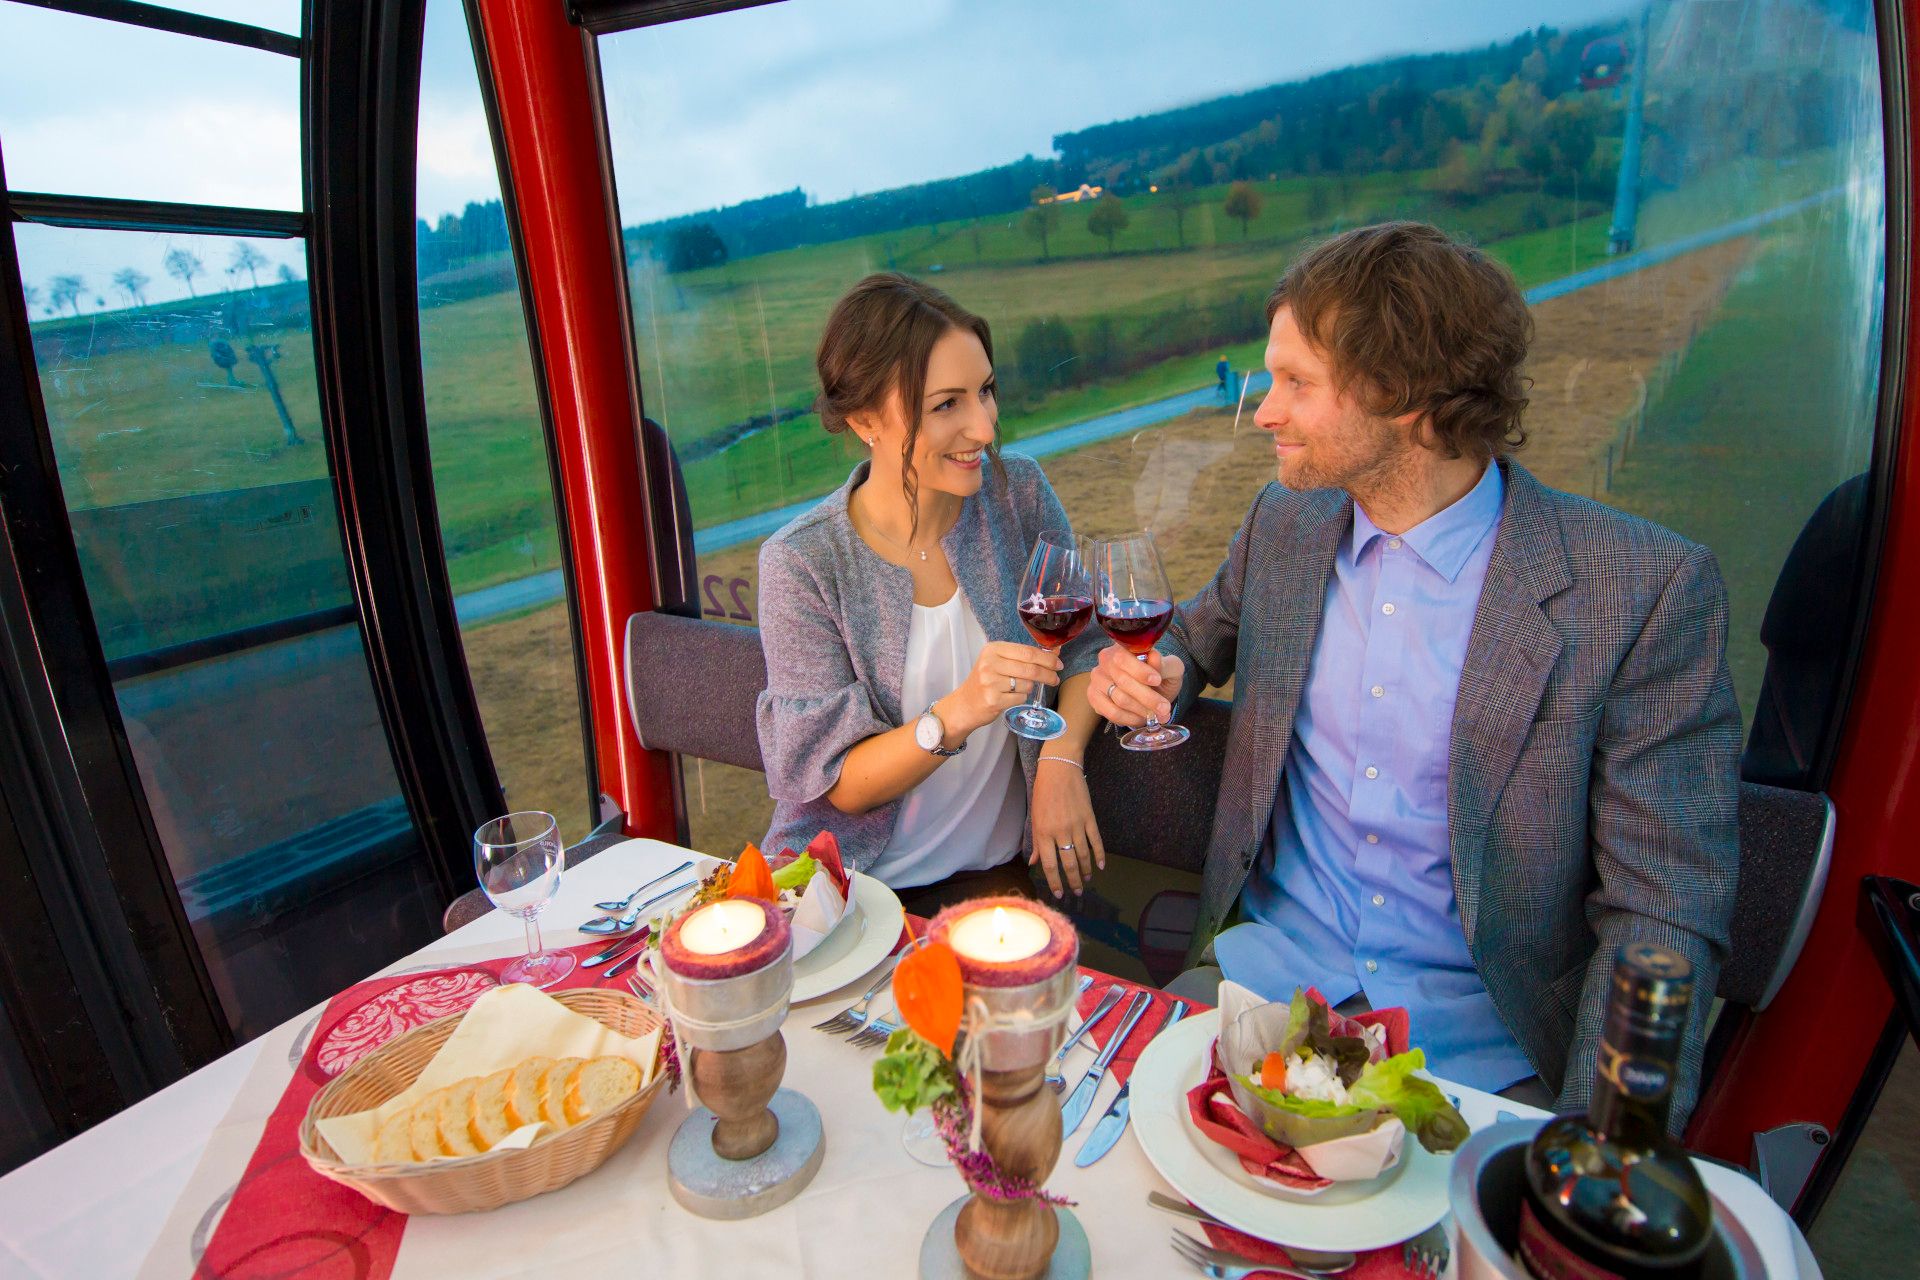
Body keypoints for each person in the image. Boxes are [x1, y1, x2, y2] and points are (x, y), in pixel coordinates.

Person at [1084, 223, 1739, 1127]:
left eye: (1295, 384)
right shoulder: (1287, 523)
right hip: (1264, 982)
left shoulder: (1642, 592)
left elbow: (1663, 908)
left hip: (1480, 1049)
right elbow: (1192, 640)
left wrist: (1598, 1144)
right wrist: (1150, 675)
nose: (1263, 411)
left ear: (1405, 398)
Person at [756, 274, 1106, 916]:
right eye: (947, 404)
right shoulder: (802, 563)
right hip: (850, 899)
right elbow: (842, 783)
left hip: (994, 885)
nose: (984, 427)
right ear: (865, 420)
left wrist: (1062, 758)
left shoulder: (1017, 495)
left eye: (987, 391)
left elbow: (1086, 648)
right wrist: (961, 710)